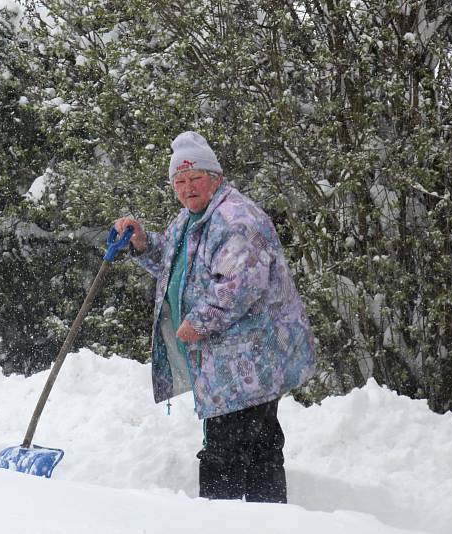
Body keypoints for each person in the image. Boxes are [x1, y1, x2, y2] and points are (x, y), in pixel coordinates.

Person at [114, 131, 315, 503]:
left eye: (195, 179)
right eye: (180, 181)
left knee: (234, 449)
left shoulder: (236, 219)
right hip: (229, 359)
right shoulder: (192, 218)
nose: (188, 187)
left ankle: (228, 520)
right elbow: (175, 264)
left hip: (251, 356)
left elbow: (241, 284)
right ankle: (262, 520)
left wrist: (197, 322)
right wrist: (142, 242)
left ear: (215, 179)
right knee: (250, 446)